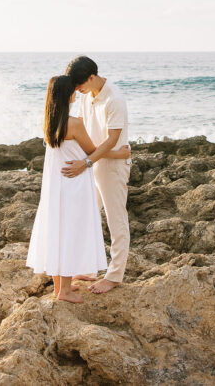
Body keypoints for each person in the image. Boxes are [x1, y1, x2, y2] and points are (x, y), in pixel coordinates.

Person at [26, 75, 131, 303]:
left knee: (58, 232)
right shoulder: (74, 123)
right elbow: (91, 151)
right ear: (68, 95)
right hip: (73, 184)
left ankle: (59, 288)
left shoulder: (48, 122)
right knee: (70, 233)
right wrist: (121, 153)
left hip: (56, 186)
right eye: (73, 90)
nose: (77, 92)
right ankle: (64, 291)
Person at [61, 55, 130, 294]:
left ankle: (114, 276)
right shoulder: (87, 96)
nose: (77, 90)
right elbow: (83, 128)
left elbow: (112, 139)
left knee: (116, 220)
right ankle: (90, 269)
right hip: (94, 163)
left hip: (111, 169)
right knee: (87, 215)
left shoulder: (114, 99)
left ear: (91, 77)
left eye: (79, 85)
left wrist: (86, 162)